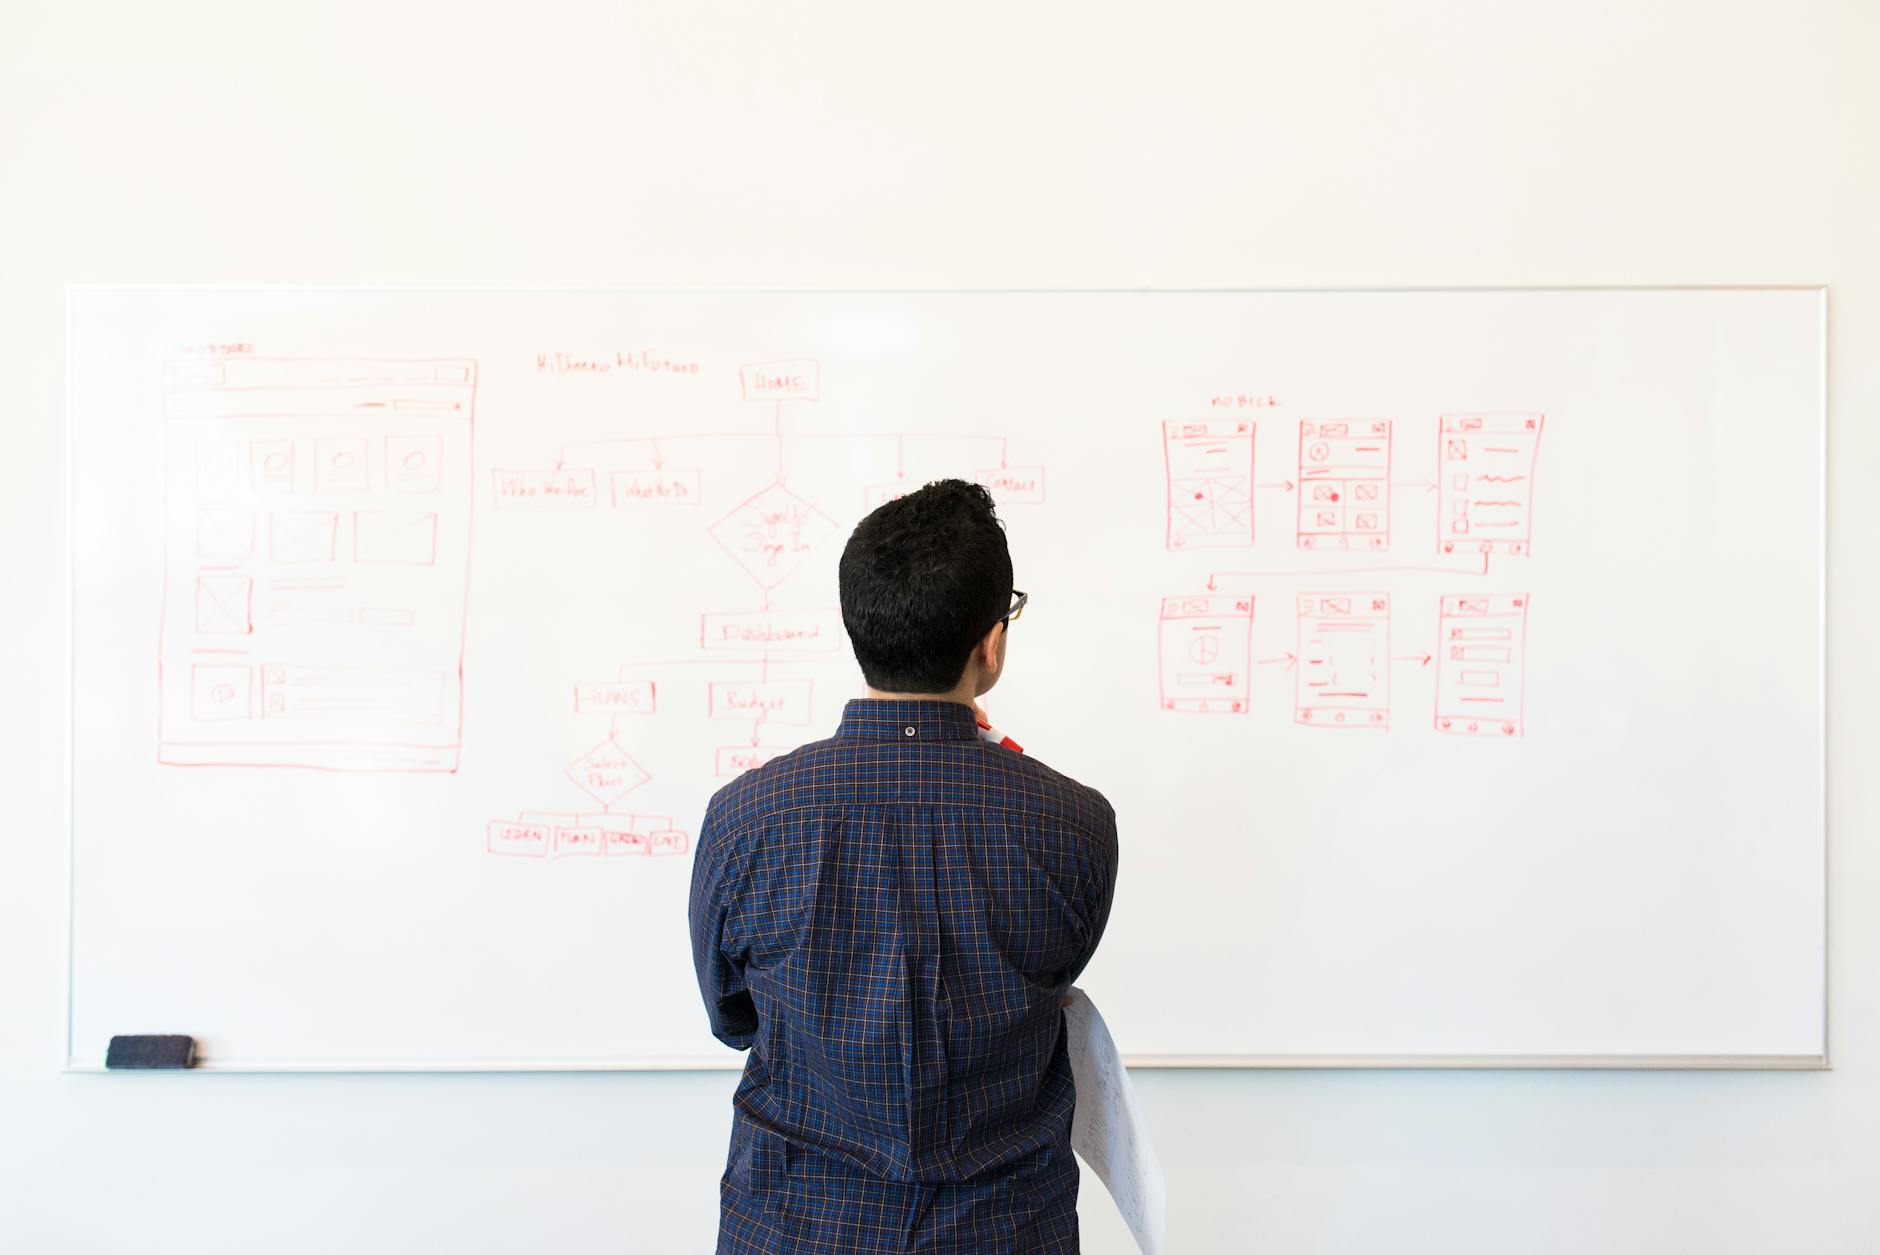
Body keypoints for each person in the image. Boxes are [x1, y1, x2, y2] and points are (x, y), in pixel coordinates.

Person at [688, 478, 1120, 1254]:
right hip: (1005, 1232)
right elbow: (1052, 979)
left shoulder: (744, 819)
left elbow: (733, 1017)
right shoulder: (1075, 824)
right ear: (990, 643)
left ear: (859, 627)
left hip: (795, 1227)